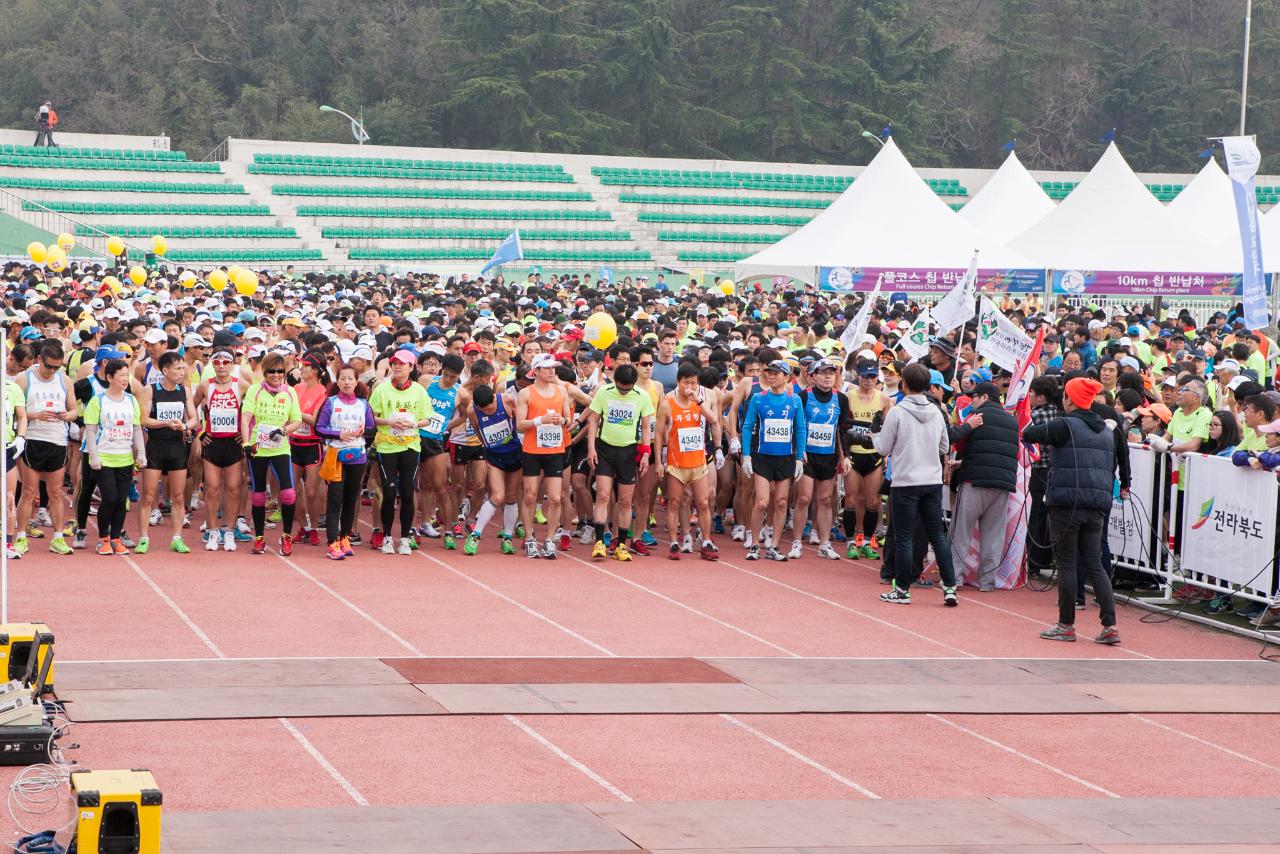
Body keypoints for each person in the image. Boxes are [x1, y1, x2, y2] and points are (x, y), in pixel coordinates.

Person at [1022, 376, 1121, 644]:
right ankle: (1110, 626)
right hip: (1097, 504)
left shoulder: (1064, 425)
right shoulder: (1105, 430)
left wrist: (1024, 412)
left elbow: (1028, 434)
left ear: (1068, 399)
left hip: (1067, 502)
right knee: (1095, 564)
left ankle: (1066, 625)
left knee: (1066, 565)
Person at [871, 363, 958, 606]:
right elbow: (944, 447)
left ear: (904, 384)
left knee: (904, 537)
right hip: (931, 481)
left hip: (905, 482)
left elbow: (882, 448)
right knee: (937, 536)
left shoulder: (898, 412)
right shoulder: (937, 412)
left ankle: (902, 590)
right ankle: (950, 587)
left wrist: (875, 432)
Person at [948, 381, 1018, 591]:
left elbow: (959, 445)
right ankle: (987, 582)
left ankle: (955, 578)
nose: (972, 401)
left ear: (985, 397)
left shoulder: (975, 418)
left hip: (973, 481)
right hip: (1002, 484)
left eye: (975, 397)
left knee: (960, 532)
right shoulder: (1012, 421)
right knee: (994, 535)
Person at [585, 362, 656, 561]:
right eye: (620, 388)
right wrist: (591, 448)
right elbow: (593, 420)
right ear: (615, 381)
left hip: (628, 451)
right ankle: (600, 542)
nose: (624, 392)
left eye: (628, 389)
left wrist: (645, 453)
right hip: (605, 450)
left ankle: (621, 545)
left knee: (625, 501)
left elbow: (646, 426)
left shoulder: (642, 396)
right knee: (603, 495)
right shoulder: (604, 392)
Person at [368, 349, 434, 555]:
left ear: (411, 367)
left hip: (410, 446)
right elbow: (371, 416)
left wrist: (414, 423)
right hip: (387, 446)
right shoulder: (382, 389)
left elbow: (427, 419)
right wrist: (390, 421)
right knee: (388, 492)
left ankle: (405, 537)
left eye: (402, 363)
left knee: (407, 492)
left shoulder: (418, 391)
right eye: (394, 363)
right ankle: (387, 536)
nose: (397, 366)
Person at [740, 358, 806, 561]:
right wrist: (746, 455)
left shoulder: (794, 400)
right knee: (761, 502)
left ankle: (774, 546)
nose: (771, 376)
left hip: (785, 458)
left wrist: (799, 458)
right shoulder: (758, 399)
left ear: (787, 377)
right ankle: (754, 545)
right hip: (762, 458)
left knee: (781, 502)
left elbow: (800, 429)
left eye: (776, 373)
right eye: (769, 372)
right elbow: (747, 427)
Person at [14, 339, 75, 556]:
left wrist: (67, 415)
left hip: (57, 439)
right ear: (40, 360)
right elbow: (16, 412)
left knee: (56, 492)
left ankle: (57, 538)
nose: (52, 371)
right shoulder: (25, 379)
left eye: (57, 367)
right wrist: (35, 415)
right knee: (29, 491)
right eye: (48, 366)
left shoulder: (64, 380)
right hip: (33, 439)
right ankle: (21, 536)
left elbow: (75, 410)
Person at [654, 361, 720, 561]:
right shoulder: (667, 403)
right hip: (676, 464)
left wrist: (698, 401)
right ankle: (675, 542)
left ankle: (706, 541)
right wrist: (659, 461)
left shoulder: (700, 401)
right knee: (674, 503)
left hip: (698, 463)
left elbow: (714, 420)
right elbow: (658, 434)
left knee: (703, 502)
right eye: (685, 383)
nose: (689, 387)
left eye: (693, 383)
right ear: (678, 382)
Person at [241, 352, 304, 555]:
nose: (276, 375)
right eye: (272, 371)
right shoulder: (254, 391)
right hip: (258, 448)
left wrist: (283, 431)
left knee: (288, 493)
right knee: (259, 495)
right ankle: (259, 538)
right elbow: (245, 418)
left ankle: (286, 536)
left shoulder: (290, 393)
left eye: (280, 371)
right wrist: (245, 443)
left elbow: (297, 420)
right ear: (264, 371)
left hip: (280, 448)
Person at [136, 351, 197, 554]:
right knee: (148, 495)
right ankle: (144, 538)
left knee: (178, 496)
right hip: (155, 447)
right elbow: (144, 420)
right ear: (165, 370)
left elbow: (194, 419)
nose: (182, 372)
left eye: (183, 368)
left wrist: (185, 426)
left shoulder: (185, 390)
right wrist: (165, 423)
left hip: (177, 448)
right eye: (178, 368)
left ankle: (177, 538)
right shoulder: (150, 390)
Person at [790, 357, 850, 560]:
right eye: (823, 373)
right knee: (804, 498)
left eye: (831, 373)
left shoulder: (841, 399)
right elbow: (795, 427)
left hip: (829, 455)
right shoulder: (802, 396)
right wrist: (798, 451)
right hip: (807, 455)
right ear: (813, 376)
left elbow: (842, 431)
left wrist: (845, 457)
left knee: (825, 499)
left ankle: (825, 543)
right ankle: (797, 542)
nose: (827, 376)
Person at [82, 359, 144, 556]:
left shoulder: (131, 400)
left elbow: (136, 429)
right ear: (110, 377)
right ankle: (103, 539)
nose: (125, 379)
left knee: (121, 501)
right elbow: (90, 431)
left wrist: (141, 453)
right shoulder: (98, 401)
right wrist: (93, 456)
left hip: (124, 458)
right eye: (121, 375)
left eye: (127, 375)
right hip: (104, 458)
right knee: (109, 498)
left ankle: (116, 539)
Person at [314, 363, 374, 560]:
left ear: (357, 381)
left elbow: (372, 428)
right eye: (342, 378)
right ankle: (332, 543)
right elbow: (319, 428)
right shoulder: (330, 403)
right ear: (337, 381)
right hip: (335, 457)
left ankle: (344, 538)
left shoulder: (364, 404)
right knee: (335, 500)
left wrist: (362, 431)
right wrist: (338, 433)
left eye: (350, 378)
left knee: (351, 499)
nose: (347, 382)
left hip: (357, 456)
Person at [194, 347, 251, 550]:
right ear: (212, 365)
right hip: (213, 443)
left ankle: (229, 531)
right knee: (212, 489)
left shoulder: (242, 385)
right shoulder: (204, 386)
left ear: (232, 364)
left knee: (234, 489)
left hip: (233, 444)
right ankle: (211, 531)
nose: (221, 366)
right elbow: (190, 410)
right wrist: (200, 433)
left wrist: (245, 433)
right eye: (217, 362)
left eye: (225, 362)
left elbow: (253, 409)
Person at [516, 353, 572, 559]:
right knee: (530, 495)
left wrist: (561, 421)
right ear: (536, 371)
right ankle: (530, 538)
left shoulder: (561, 392)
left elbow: (569, 420)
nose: (551, 371)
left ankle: (549, 540)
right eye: (547, 368)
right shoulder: (526, 394)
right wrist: (541, 420)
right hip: (532, 450)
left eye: (553, 367)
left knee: (556, 498)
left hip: (555, 450)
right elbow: (520, 425)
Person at [463, 383, 522, 556]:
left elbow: (520, 423)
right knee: (497, 496)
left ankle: (508, 538)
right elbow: (478, 430)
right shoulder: (472, 411)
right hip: (494, 457)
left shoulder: (507, 401)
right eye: (484, 410)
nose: (488, 411)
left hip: (515, 454)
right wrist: (490, 445)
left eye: (490, 408)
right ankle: (475, 535)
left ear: (493, 399)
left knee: (511, 497)